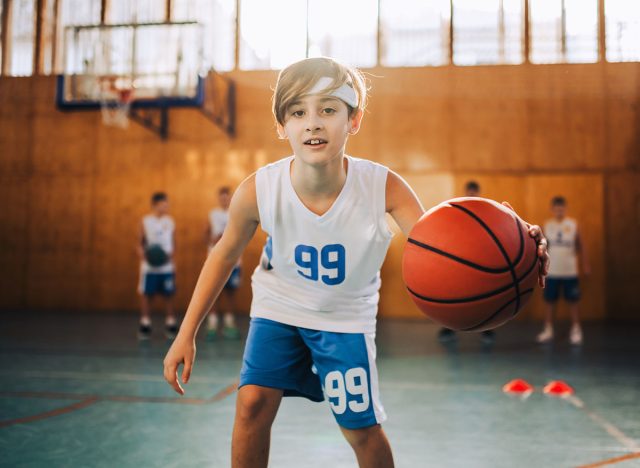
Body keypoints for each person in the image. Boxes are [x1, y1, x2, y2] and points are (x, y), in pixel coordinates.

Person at [163, 57, 549, 467]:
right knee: (252, 404)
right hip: (279, 308)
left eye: (328, 109)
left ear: (354, 120)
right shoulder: (258, 190)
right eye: (298, 112)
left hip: (345, 320)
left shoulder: (384, 188)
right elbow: (223, 254)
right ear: (281, 126)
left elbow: (442, 243)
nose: (313, 123)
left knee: (360, 429)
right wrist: (186, 332)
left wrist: (515, 239)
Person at [437, 180, 496, 345]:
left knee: (487, 297)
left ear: (478, 193)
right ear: (465, 193)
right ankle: (449, 328)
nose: (471, 195)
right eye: (469, 193)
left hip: (481, 261)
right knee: (454, 296)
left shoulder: (486, 213)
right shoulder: (458, 211)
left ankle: (487, 330)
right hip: (460, 261)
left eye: (474, 193)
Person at [537, 196, 590, 345]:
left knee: (573, 301)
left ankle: (576, 329)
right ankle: (548, 329)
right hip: (552, 270)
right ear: (552, 209)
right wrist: (540, 267)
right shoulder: (547, 226)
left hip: (569, 271)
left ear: (565, 209)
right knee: (549, 301)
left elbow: (582, 245)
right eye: (557, 209)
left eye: (562, 209)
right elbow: (541, 248)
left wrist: (586, 264)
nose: (559, 211)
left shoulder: (573, 224)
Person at [137, 192, 178, 340]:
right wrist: (143, 254)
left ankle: (170, 323)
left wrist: (170, 258)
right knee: (147, 295)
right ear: (155, 204)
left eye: (167, 203)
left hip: (166, 266)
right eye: (163, 203)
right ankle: (145, 323)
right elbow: (139, 243)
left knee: (169, 294)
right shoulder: (145, 221)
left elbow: (174, 244)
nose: (166, 206)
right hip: (149, 267)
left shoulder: (170, 221)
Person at [205, 186, 242, 340]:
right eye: (222, 197)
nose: (225, 200)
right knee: (214, 292)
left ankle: (229, 322)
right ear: (219, 198)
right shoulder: (212, 214)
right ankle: (212, 323)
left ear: (231, 198)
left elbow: (241, 234)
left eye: (227, 197)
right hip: (216, 260)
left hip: (234, 260)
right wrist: (211, 240)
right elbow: (206, 234)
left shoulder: (237, 213)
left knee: (230, 292)